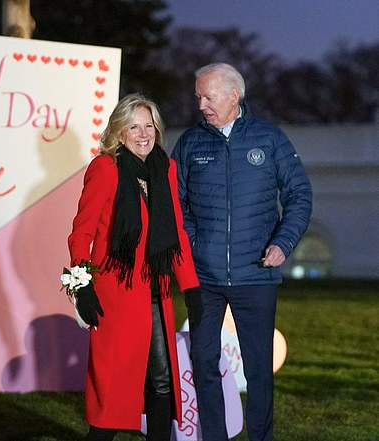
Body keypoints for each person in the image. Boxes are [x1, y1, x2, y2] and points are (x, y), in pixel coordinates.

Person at [171, 63, 312, 441]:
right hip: (204, 276)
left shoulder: (270, 139)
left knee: (258, 370)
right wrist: (194, 245)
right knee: (203, 361)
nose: (201, 104)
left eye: (208, 96)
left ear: (234, 95)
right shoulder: (189, 144)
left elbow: (300, 195)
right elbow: (175, 203)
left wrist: (283, 243)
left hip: (256, 275)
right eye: (198, 96)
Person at [67, 93, 200, 441]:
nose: (143, 133)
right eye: (133, 126)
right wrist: (81, 286)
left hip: (155, 289)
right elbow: (81, 233)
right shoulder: (105, 169)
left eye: (149, 125)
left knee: (162, 381)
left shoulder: (164, 169)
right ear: (119, 132)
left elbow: (177, 232)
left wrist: (192, 287)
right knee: (113, 388)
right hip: (115, 293)